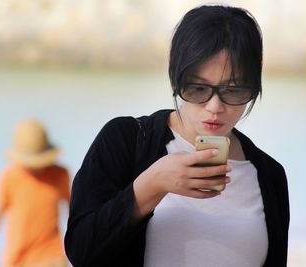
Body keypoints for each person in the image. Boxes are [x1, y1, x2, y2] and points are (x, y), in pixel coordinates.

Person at [65, 4, 289, 267]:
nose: (215, 107)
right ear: (175, 79)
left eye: (234, 90)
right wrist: (150, 185)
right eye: (197, 88)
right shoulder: (126, 140)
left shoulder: (270, 176)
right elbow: (81, 252)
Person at [0, 119, 70, 267]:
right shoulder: (9, 178)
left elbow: (74, 211)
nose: (36, 168)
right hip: (18, 260)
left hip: (52, 258)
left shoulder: (59, 174)